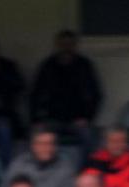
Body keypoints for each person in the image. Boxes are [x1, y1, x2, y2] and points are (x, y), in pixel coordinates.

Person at [30, 29, 102, 160]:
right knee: (37, 133)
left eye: (69, 44)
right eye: (62, 44)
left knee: (89, 135)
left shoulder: (84, 65)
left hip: (77, 120)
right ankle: (39, 171)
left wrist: (87, 117)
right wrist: (36, 119)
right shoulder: (48, 66)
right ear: (57, 45)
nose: (66, 47)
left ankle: (86, 173)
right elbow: (35, 94)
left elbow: (96, 95)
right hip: (52, 119)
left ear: (75, 45)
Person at [0, 36, 25, 166]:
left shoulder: (7, 66)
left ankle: (7, 169)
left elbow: (19, 88)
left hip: (2, 114)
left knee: (3, 128)